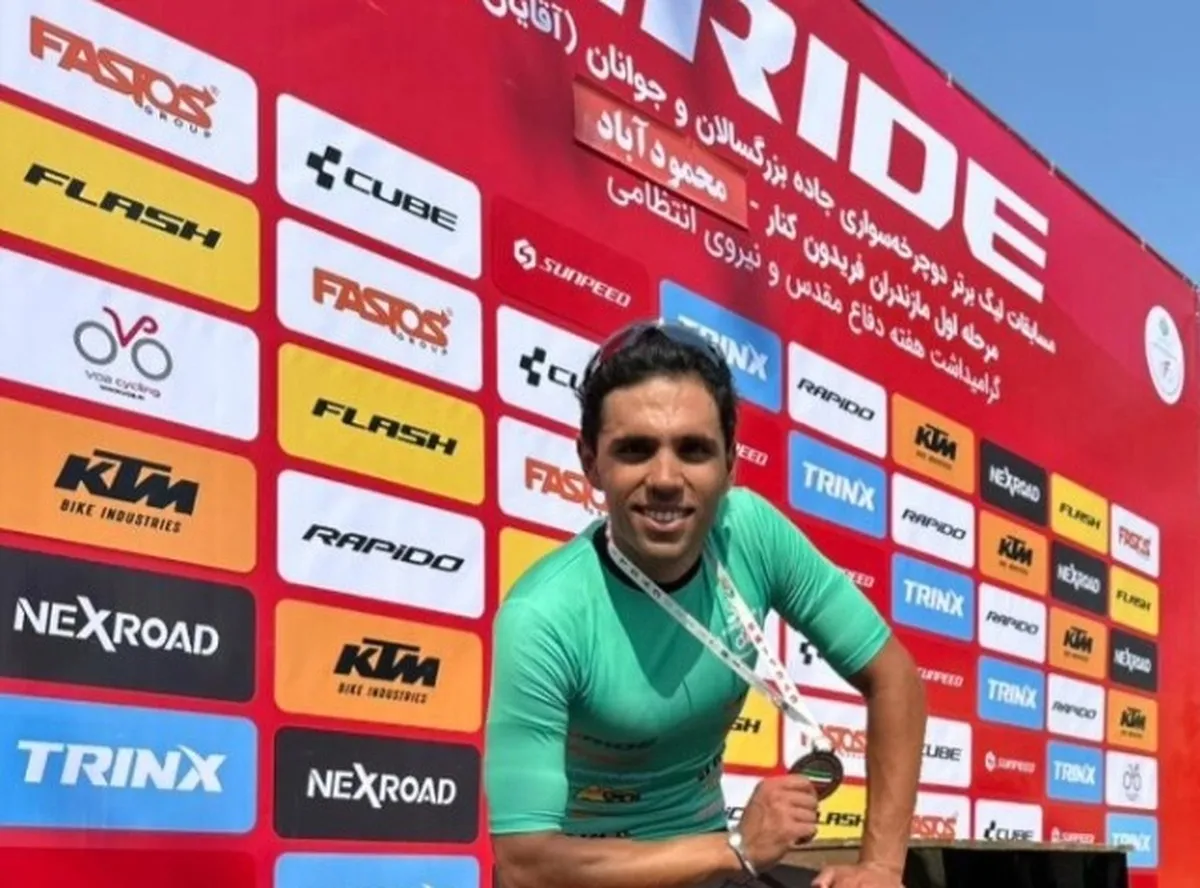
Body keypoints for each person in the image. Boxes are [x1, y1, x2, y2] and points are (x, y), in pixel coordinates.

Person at [484, 319, 927, 888]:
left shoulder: (753, 534)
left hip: (711, 871)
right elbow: (524, 862)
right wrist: (735, 848)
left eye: (693, 450)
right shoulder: (541, 616)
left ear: (730, 464)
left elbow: (894, 676)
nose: (666, 478)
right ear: (591, 463)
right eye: (635, 450)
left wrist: (882, 867)